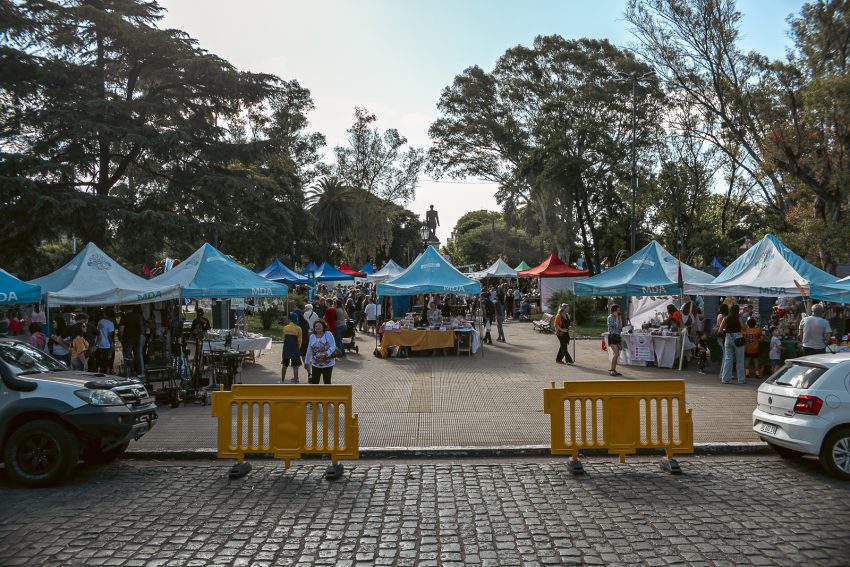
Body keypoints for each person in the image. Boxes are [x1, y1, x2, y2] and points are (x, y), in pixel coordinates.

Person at [719, 304, 746, 384]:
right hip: (738, 338)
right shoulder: (739, 317)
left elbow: (720, 330)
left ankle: (725, 379)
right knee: (740, 360)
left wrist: (726, 330)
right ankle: (741, 379)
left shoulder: (725, 318)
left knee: (728, 359)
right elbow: (744, 328)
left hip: (728, 338)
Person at [304, 319, 337, 384]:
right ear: (314, 328)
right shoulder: (312, 336)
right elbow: (309, 350)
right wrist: (306, 362)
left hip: (328, 364)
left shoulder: (328, 334)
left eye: (319, 326)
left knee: (327, 382)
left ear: (323, 326)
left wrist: (326, 353)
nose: (318, 327)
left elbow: (333, 346)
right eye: (316, 326)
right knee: (314, 382)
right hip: (315, 364)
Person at [281, 312, 303, 383]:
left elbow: (284, 339)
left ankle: (282, 380)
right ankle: (296, 381)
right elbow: (300, 340)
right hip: (295, 349)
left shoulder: (285, 328)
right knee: (295, 367)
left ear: (290, 319)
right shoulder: (298, 328)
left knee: (284, 365)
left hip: (286, 349)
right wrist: (298, 349)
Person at [95, 309, 116, 374]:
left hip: (100, 343)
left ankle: (101, 370)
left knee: (100, 359)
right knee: (107, 359)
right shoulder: (111, 323)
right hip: (107, 344)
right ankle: (106, 371)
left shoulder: (100, 321)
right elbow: (110, 335)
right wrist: (111, 344)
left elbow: (98, 331)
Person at [607, 304, 622, 376]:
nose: (618, 311)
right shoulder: (610, 317)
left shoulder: (617, 317)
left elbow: (620, 327)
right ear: (614, 310)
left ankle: (614, 369)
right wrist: (616, 318)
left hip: (617, 336)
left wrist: (619, 318)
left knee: (615, 354)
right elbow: (612, 327)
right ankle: (612, 370)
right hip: (612, 336)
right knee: (616, 354)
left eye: (619, 310)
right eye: (617, 310)